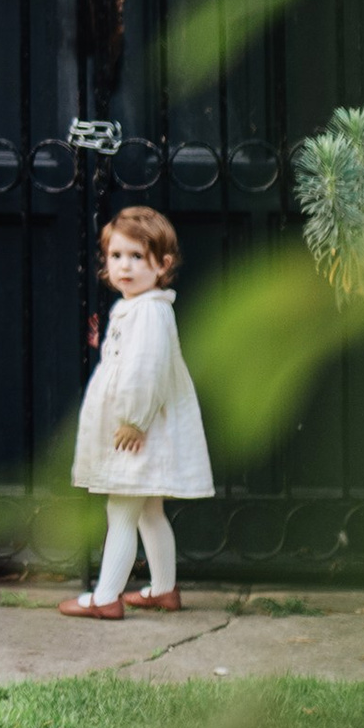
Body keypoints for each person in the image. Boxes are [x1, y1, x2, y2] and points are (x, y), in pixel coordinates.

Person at [59, 204, 213, 617]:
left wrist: (134, 419)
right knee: (149, 510)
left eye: (137, 256)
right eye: (116, 255)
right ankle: (163, 589)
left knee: (121, 510)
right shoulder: (139, 307)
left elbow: (147, 370)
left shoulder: (149, 311)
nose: (124, 266)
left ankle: (106, 598)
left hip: (140, 430)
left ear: (162, 265)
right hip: (143, 428)